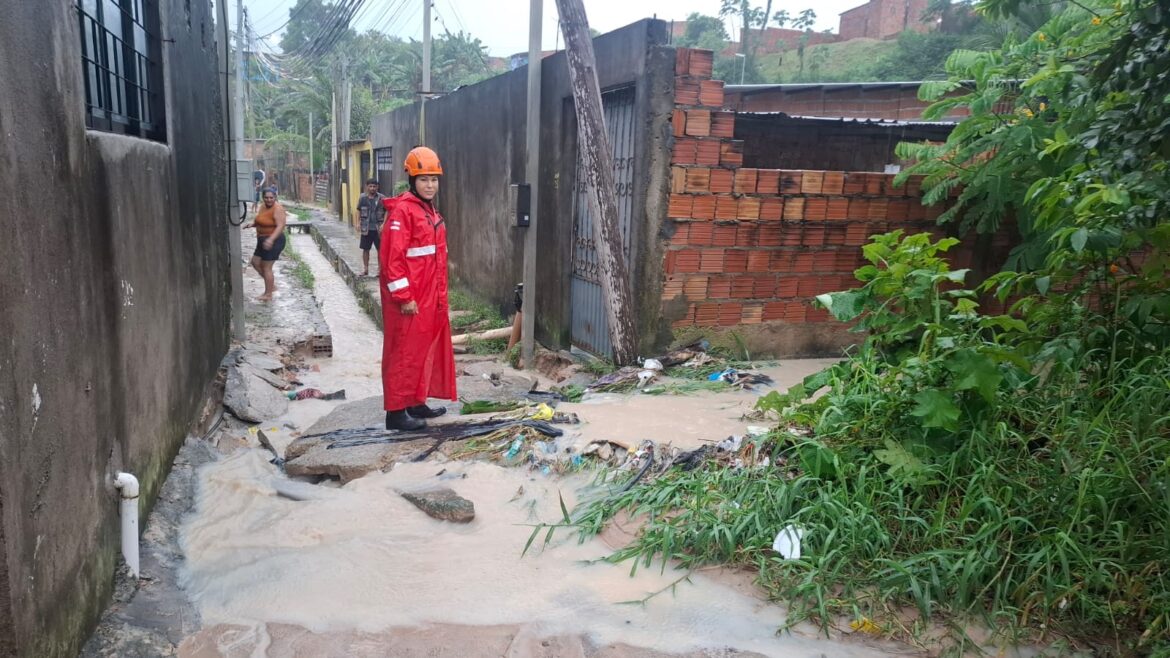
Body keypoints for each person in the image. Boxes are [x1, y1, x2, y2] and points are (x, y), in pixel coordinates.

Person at [379, 147, 456, 430]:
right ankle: (396, 414)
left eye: (434, 179)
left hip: (429, 296)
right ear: (412, 179)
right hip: (410, 299)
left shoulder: (427, 210)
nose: (430, 185)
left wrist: (439, 298)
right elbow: (392, 260)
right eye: (424, 179)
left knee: (423, 350)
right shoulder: (403, 211)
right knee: (403, 353)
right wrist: (404, 296)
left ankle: (415, 402)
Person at [246, 187, 286, 301]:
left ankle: (268, 294)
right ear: (263, 198)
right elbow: (261, 220)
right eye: (266, 198)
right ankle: (271, 286)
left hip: (274, 240)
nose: (269, 200)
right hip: (262, 239)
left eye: (271, 198)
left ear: (275, 197)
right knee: (255, 262)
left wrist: (271, 239)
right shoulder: (263, 206)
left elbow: (280, 226)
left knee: (266, 267)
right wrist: (252, 224)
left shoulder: (277, 208)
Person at [356, 178, 387, 277]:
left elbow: (387, 211)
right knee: (365, 249)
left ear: (377, 187)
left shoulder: (382, 198)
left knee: (380, 250)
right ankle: (365, 269)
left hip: (379, 229)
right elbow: (358, 210)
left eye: (374, 186)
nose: (372, 188)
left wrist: (384, 224)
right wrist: (357, 223)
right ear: (367, 187)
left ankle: (380, 270)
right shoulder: (362, 198)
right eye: (370, 186)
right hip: (366, 228)